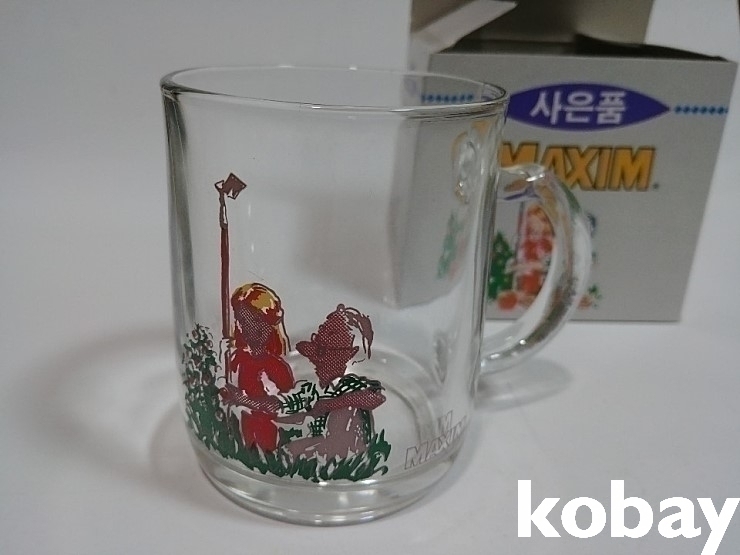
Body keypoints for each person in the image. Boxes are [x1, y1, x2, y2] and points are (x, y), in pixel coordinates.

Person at [282, 304, 386, 462]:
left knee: (347, 409)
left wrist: (332, 404)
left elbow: (376, 398)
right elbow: (301, 414)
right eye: (320, 351)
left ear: (346, 356)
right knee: (291, 450)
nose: (321, 359)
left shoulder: (350, 384)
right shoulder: (311, 387)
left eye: (330, 352)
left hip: (350, 450)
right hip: (323, 445)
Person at [222, 282, 295, 453]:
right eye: (242, 320)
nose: (248, 327)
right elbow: (226, 385)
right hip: (244, 426)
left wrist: (243, 400)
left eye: (255, 320)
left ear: (270, 323)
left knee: (265, 455)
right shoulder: (239, 358)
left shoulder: (275, 366)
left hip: (268, 432)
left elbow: (282, 405)